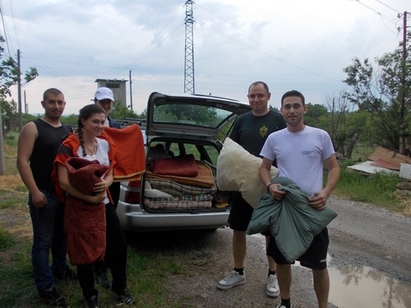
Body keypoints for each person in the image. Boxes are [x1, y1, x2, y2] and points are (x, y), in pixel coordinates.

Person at [259, 90, 340, 308]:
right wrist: (269, 185)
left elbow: (334, 168)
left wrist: (325, 193)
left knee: (319, 265)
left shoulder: (320, 136)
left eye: (296, 106)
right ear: (282, 110)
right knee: (283, 261)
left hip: (312, 209)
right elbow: (264, 168)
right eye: (287, 106)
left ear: (304, 108)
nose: (292, 110)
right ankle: (285, 303)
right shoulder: (274, 138)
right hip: (284, 208)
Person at [53, 104, 135, 307]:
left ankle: (120, 286)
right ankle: (90, 296)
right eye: (95, 122)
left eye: (102, 121)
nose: (100, 125)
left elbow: (110, 174)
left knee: (118, 245)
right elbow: (63, 182)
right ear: (83, 121)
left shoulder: (105, 144)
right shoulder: (70, 145)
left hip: (103, 204)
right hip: (80, 207)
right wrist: (89, 199)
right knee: (85, 253)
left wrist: (105, 185)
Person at [217, 81, 286, 297]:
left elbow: (286, 150)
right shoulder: (241, 120)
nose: (256, 100)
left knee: (270, 232)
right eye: (252, 96)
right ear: (248, 97)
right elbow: (231, 151)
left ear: (268, 96)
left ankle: (272, 275)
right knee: (238, 229)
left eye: (260, 96)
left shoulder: (278, 119)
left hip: (269, 186)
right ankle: (238, 271)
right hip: (244, 184)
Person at [16, 88, 75, 306]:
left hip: (63, 192)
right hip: (44, 193)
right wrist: (34, 191)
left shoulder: (68, 129)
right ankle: (45, 286)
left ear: (64, 104)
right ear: (43, 103)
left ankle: (59, 269)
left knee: (61, 235)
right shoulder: (33, 127)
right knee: (42, 242)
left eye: (60, 102)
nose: (56, 106)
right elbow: (22, 161)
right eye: (52, 102)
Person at [93, 86, 121, 289]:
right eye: (102, 101)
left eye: (108, 102)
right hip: (94, 183)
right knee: (96, 225)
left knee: (111, 225)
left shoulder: (117, 125)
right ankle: (97, 263)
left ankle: (109, 259)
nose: (106, 104)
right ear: (95, 101)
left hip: (114, 180)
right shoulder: (89, 126)